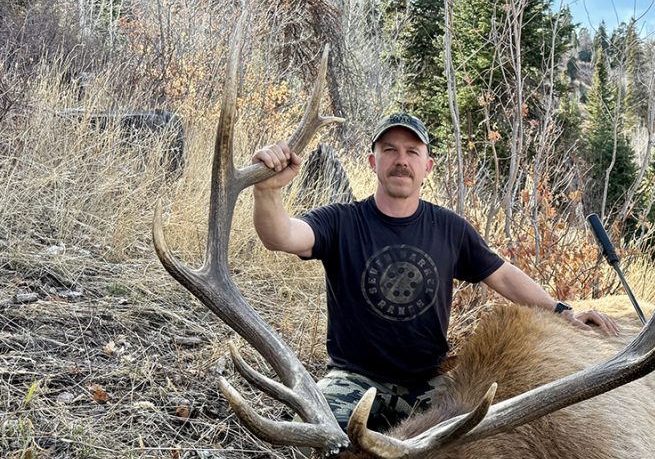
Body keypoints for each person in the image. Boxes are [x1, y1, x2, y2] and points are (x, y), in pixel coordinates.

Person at [251, 111, 619, 430]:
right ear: (372, 160)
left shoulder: (449, 228)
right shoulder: (340, 221)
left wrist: (563, 312)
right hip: (354, 379)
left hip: (428, 383)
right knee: (312, 430)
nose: (401, 160)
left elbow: (503, 275)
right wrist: (268, 191)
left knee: (477, 444)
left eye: (413, 152)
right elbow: (280, 236)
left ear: (426, 166)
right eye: (390, 150)